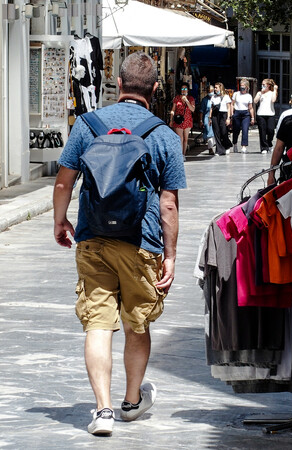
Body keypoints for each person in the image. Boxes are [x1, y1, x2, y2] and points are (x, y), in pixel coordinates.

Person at [52, 52, 186, 436]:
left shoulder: (88, 124)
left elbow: (64, 182)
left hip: (93, 237)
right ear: (155, 89)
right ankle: (131, 402)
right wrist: (171, 255)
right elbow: (169, 202)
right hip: (141, 243)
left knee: (97, 323)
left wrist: (61, 221)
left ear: (119, 84)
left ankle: (103, 411)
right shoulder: (162, 133)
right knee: (136, 322)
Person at [169, 81, 195, 157]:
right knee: (180, 137)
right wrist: (171, 119)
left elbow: (192, 109)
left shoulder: (191, 98)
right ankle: (180, 154)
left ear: (188, 90)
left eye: (185, 88)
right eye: (182, 88)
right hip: (178, 120)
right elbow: (173, 109)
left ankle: (184, 154)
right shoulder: (177, 98)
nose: (184, 90)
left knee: (186, 138)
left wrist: (186, 101)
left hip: (187, 119)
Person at [254, 78, 278, 154]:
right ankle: (264, 147)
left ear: (268, 85)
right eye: (262, 85)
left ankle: (269, 142)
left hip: (270, 114)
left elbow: (273, 100)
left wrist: (275, 90)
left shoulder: (272, 93)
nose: (262, 86)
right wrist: (260, 93)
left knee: (271, 130)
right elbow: (255, 101)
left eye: (264, 85)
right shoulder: (259, 93)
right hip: (261, 114)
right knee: (262, 131)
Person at [208, 82, 233, 156]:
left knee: (223, 131)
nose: (215, 89)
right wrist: (210, 118)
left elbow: (228, 107)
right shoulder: (213, 97)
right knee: (216, 132)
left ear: (220, 88)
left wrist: (228, 118)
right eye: (215, 88)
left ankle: (227, 145)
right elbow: (211, 108)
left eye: (216, 88)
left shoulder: (226, 97)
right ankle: (219, 150)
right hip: (215, 115)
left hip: (223, 114)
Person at [231, 79, 255, 153]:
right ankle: (235, 144)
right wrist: (232, 113)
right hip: (237, 112)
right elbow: (232, 104)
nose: (242, 88)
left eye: (243, 86)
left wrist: (252, 117)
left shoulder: (249, 96)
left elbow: (250, 107)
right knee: (236, 130)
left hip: (245, 114)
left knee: (245, 130)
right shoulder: (236, 94)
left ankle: (244, 146)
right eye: (241, 86)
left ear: (247, 87)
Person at [199, 85, 215, 154]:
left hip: (215, 117)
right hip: (207, 118)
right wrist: (200, 121)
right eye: (209, 91)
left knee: (214, 133)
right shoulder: (204, 100)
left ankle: (214, 146)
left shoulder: (216, 98)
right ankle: (210, 148)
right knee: (209, 133)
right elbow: (201, 111)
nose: (210, 93)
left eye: (211, 91)